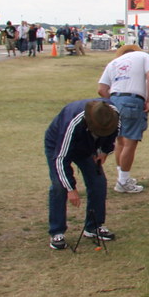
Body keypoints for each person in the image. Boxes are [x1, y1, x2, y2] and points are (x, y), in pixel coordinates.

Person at [45, 99, 120, 249]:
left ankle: (93, 227)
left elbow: (113, 136)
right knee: (60, 187)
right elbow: (60, 159)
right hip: (58, 146)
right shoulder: (72, 123)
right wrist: (71, 189)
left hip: (88, 147)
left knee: (98, 182)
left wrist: (104, 151)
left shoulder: (113, 116)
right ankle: (57, 232)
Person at [97, 45, 149, 193]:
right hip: (133, 100)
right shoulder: (144, 56)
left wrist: (115, 101)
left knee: (120, 141)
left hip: (115, 100)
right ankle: (123, 181)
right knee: (130, 142)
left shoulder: (113, 63)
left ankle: (122, 177)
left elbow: (101, 89)